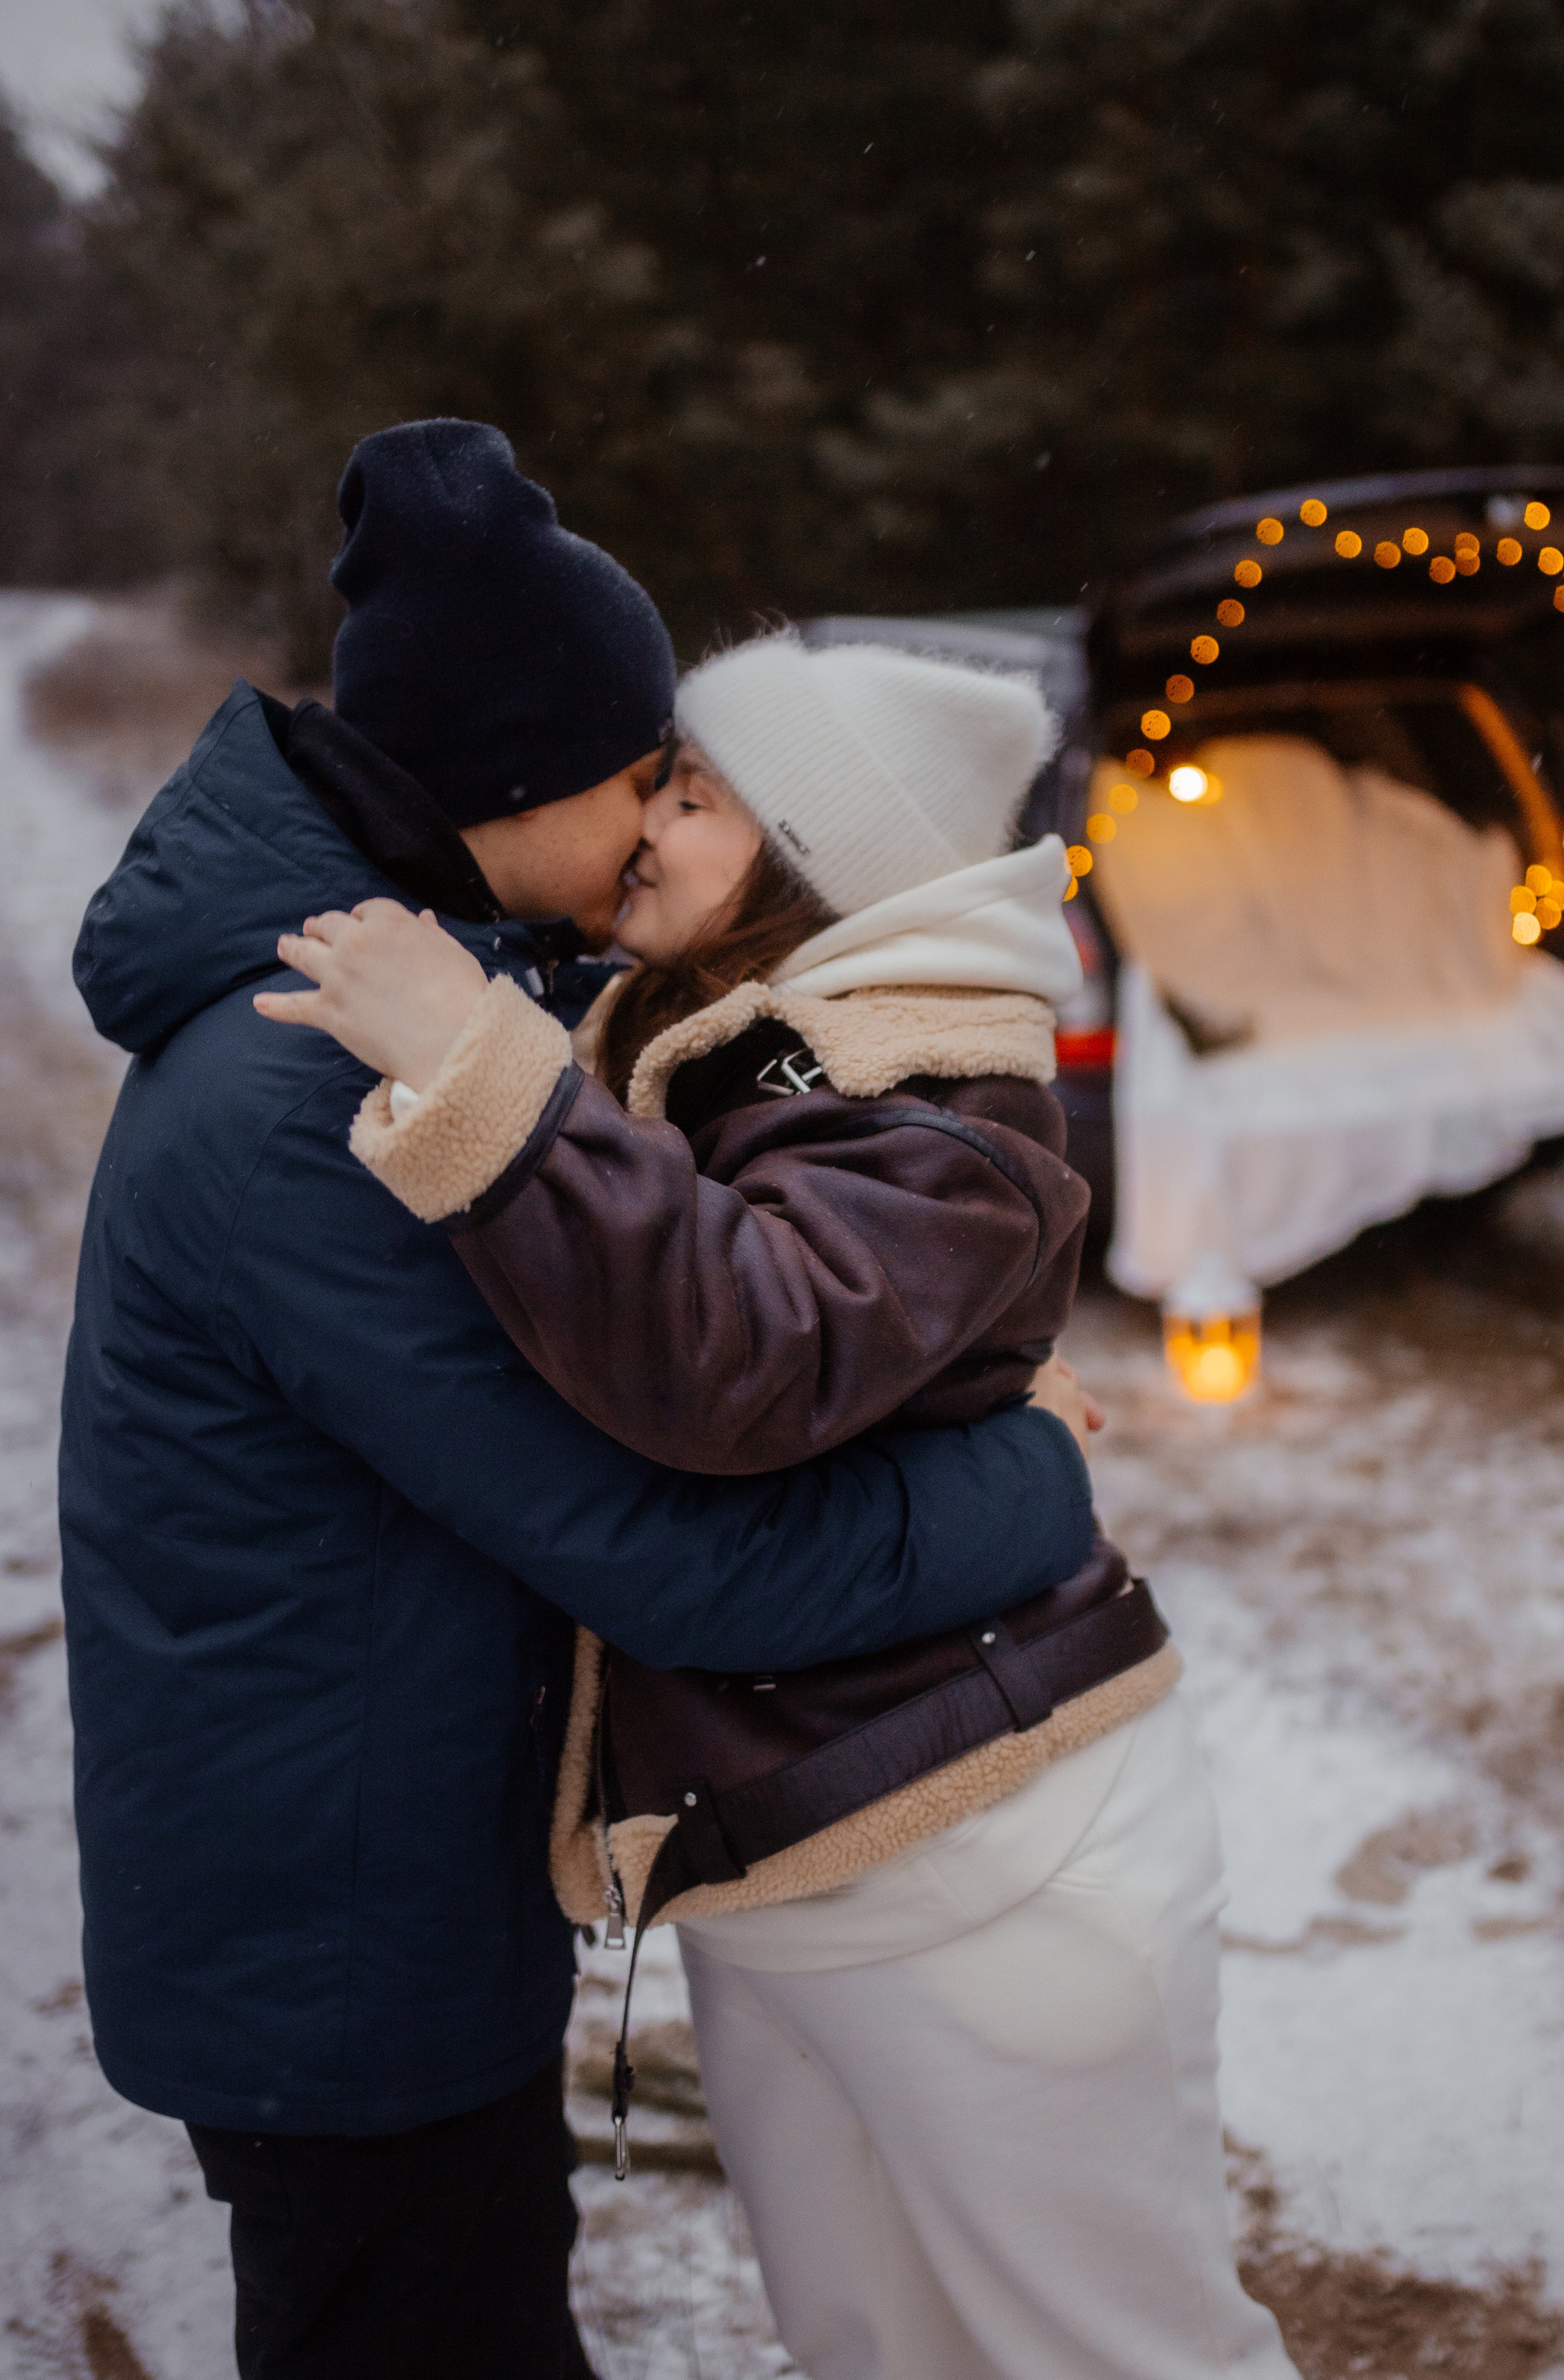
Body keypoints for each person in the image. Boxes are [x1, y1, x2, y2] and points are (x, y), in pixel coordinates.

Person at [58, 420, 1099, 2380]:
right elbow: (672, 1548)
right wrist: (1027, 1480)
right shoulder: (319, 1092)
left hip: (371, 1896)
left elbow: (687, 1303)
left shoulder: (430, 997)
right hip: (342, 1946)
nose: (655, 818)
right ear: (516, 779)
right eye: (643, 774)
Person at [266, 627, 1299, 2380]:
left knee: (1115, 2350)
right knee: (871, 2343)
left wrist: (476, 1074)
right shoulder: (712, 1041)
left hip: (990, 1863)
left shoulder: (933, 1094)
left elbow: (738, 1349)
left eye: (692, 792)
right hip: (794, 1854)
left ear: (813, 862)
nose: (641, 826)